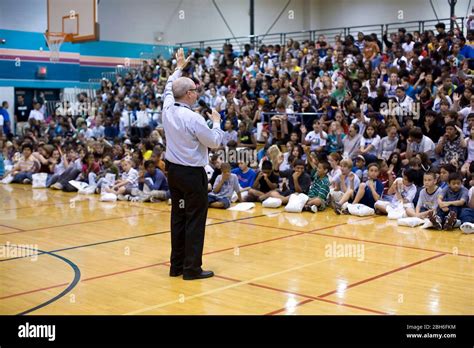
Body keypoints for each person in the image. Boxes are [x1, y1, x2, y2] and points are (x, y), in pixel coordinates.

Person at [162, 48, 224, 280]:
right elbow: (215, 142)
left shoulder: (167, 108)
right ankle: (191, 269)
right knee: (195, 220)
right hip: (192, 176)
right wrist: (216, 122)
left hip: (174, 173)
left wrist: (179, 67)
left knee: (178, 217)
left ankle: (176, 266)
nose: (197, 94)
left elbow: (169, 85)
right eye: (195, 91)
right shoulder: (194, 118)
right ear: (188, 94)